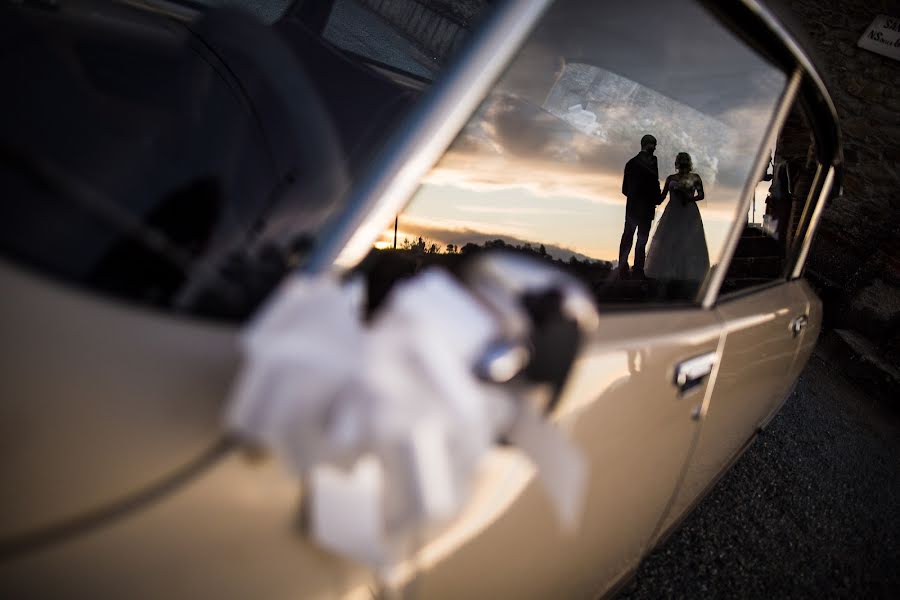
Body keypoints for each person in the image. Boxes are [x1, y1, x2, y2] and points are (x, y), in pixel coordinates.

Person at [645, 152, 710, 284]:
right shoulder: (671, 178)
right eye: (681, 162)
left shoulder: (695, 177)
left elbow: (701, 195)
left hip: (689, 212)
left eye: (683, 162)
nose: (682, 165)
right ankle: (670, 272)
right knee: (670, 240)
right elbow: (662, 197)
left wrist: (690, 198)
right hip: (673, 212)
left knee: (688, 240)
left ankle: (686, 273)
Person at [618, 134, 661, 279]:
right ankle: (637, 270)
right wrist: (654, 198)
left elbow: (625, 189)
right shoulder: (651, 163)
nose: (654, 148)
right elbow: (654, 185)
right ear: (645, 144)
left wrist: (635, 199)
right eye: (652, 144)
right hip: (645, 209)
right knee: (640, 240)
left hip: (632, 209)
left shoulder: (630, 163)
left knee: (628, 238)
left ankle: (623, 269)